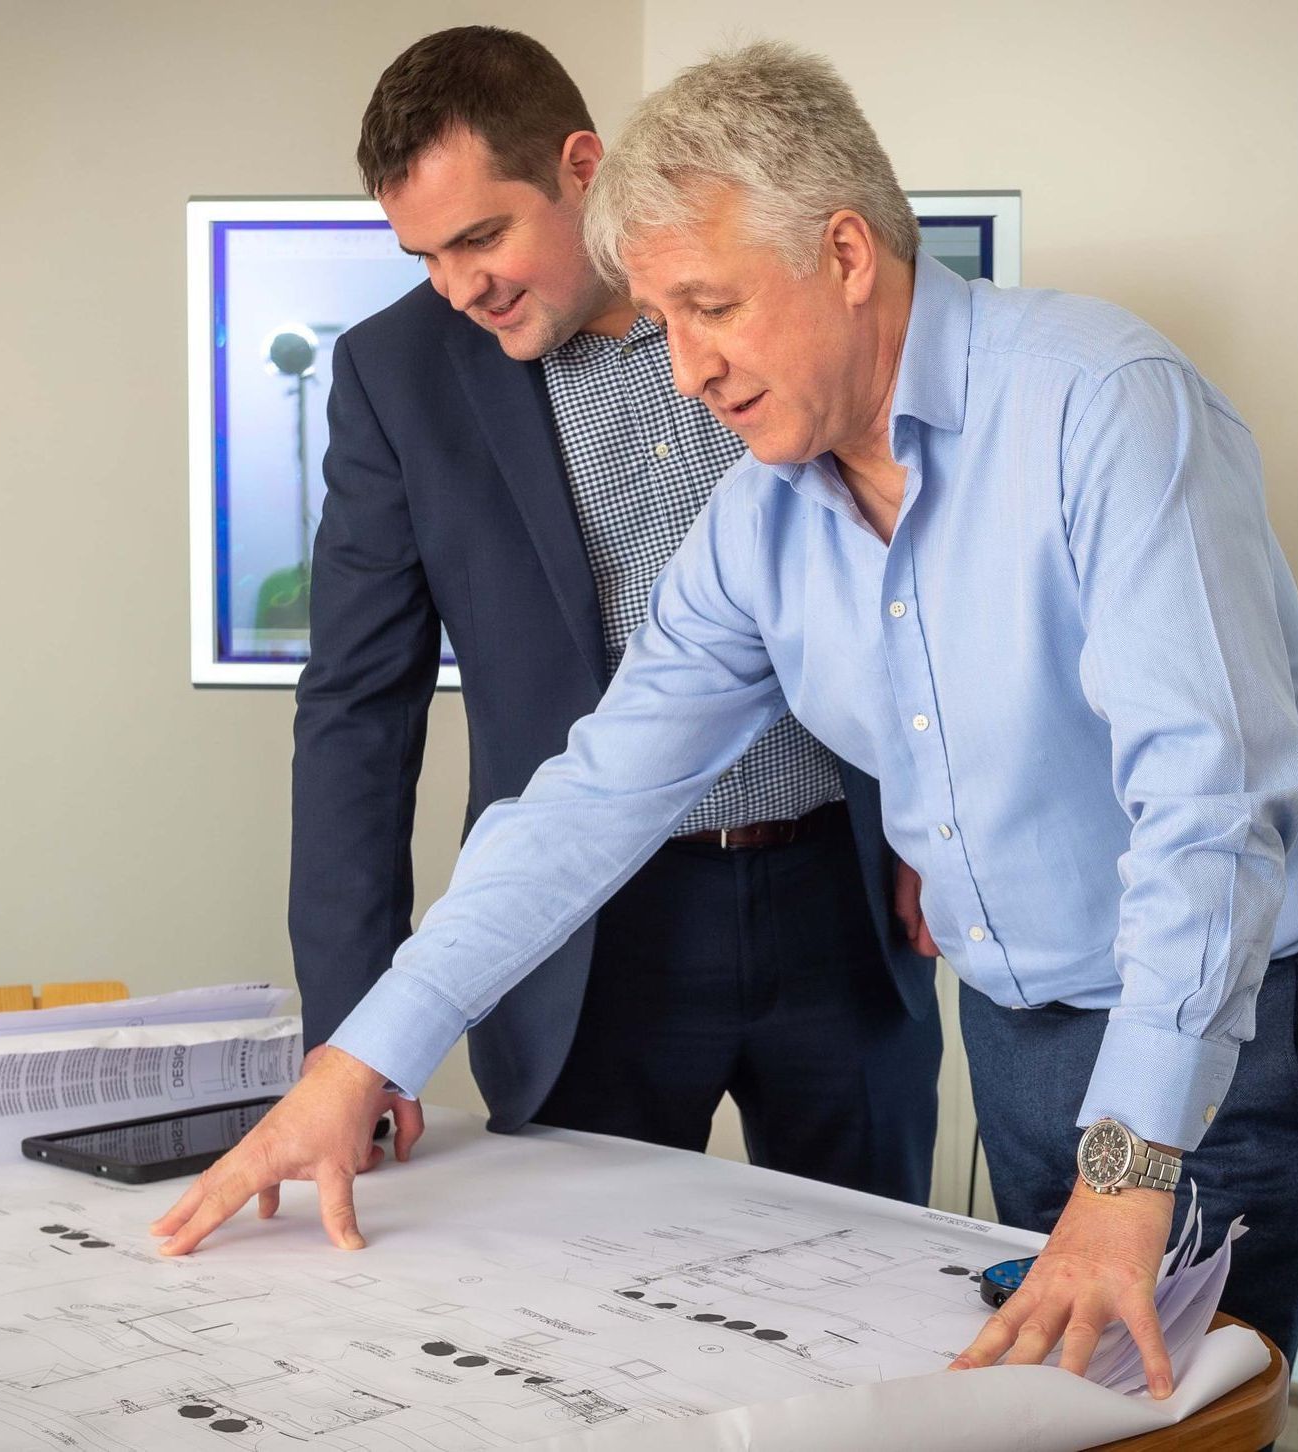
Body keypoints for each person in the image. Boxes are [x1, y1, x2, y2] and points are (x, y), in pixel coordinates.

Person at [156, 39, 1298, 1397]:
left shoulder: (1102, 408)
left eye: (709, 308)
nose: (687, 372)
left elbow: (1209, 811)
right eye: (664, 323)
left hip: (1220, 1028)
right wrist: (356, 1058)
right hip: (1015, 1033)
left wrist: (1123, 1173)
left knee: (1179, 1420)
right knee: (1042, 1413)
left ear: (842, 255)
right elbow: (591, 799)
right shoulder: (761, 521)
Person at [275, 27, 941, 1211]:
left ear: (582, 165)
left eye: (482, 235)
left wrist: (937, 827)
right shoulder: (398, 377)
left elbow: (924, 581)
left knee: (871, 1287)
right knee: (583, 1324)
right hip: (582, 939)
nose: (459, 286)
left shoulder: (778, 306)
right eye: (426, 255)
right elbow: (355, 717)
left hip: (838, 894)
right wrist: (355, 1036)